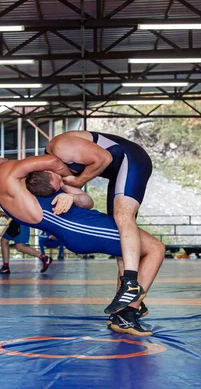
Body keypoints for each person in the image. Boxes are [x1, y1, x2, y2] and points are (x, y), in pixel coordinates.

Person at [0, 152, 165, 336]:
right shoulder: (3, 173)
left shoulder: (18, 187)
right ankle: (128, 312)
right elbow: (52, 160)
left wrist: (68, 190)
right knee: (155, 248)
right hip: (81, 227)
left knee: (127, 254)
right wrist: (83, 172)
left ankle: (123, 311)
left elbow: (87, 201)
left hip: (82, 225)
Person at [45, 131, 153, 314]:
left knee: (122, 217)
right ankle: (127, 307)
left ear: (46, 171)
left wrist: (78, 181)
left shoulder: (59, 146)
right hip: (119, 172)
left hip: (132, 159)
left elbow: (104, 157)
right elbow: (87, 201)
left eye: (58, 183)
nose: (61, 183)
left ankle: (131, 283)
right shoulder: (57, 176)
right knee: (117, 232)